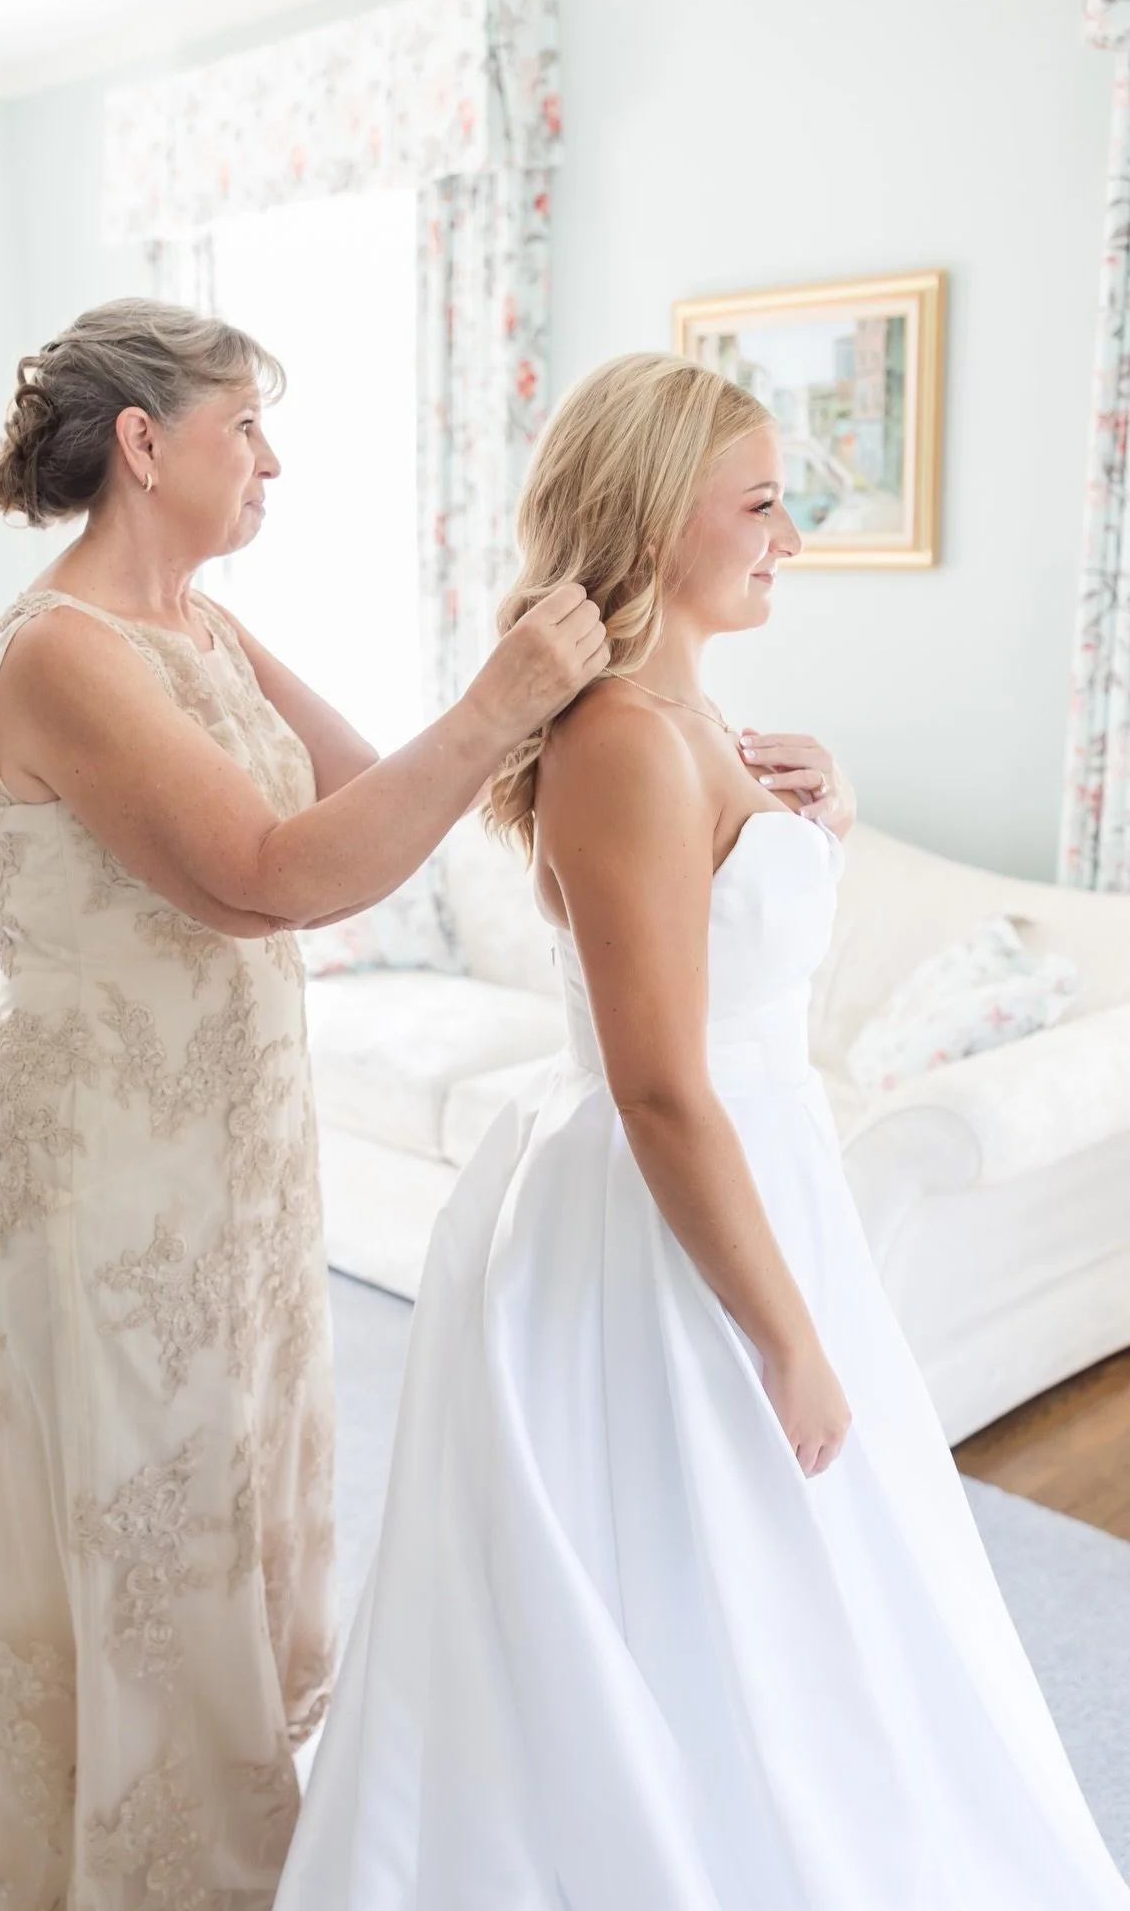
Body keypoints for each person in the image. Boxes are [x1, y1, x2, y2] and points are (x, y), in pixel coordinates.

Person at [274, 353, 1130, 1910]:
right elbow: (663, 1084)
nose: (791, 534)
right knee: (678, 1564)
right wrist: (790, 1335)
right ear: (663, 524)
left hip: (762, 1167)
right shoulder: (616, 741)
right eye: (762, 504)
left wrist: (831, 815)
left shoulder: (694, 713)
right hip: (663, 1208)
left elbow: (741, 957)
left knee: (792, 1588)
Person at [0, 298, 608, 1909]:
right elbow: (267, 878)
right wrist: (500, 700)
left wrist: (515, 709)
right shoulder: (60, 654)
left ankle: (226, 1835)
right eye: (249, 427)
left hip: (232, 1147)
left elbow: (371, 792)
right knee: (147, 1523)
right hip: (107, 1162)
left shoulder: (203, 628)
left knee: (233, 1494)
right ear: (147, 445)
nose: (275, 462)